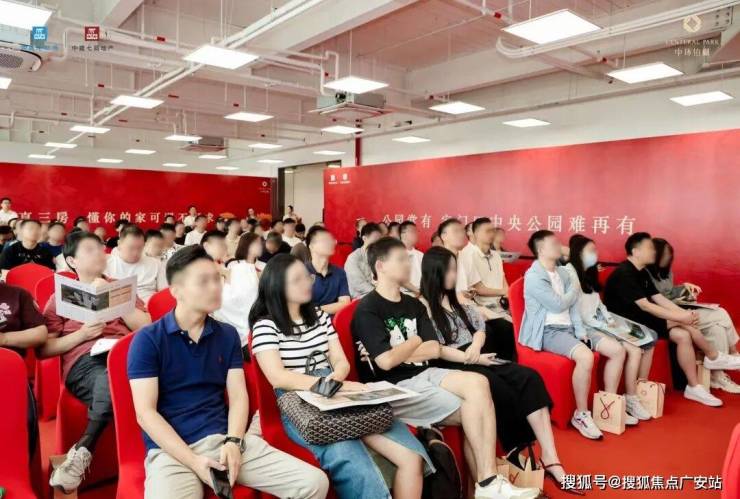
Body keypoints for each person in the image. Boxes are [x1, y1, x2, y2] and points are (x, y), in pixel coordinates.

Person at [127, 246, 328, 499]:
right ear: (176, 291)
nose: (215, 287)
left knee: (314, 483)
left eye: (217, 279)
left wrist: (233, 441)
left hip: (224, 439)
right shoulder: (148, 340)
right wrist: (193, 461)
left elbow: (238, 396)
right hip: (171, 451)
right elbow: (145, 414)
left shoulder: (227, 334)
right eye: (203, 281)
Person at [351, 237, 539, 499]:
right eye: (401, 259)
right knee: (474, 409)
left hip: (424, 373)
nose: (408, 264)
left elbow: (433, 349)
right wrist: (415, 341)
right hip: (393, 387)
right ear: (380, 266)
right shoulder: (368, 309)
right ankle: (486, 485)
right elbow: (386, 362)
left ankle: (487, 484)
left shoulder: (414, 304)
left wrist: (402, 348)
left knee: (478, 383)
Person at [250, 253, 434, 499]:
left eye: (307, 277)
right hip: (300, 404)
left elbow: (340, 361)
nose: (307, 283)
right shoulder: (266, 326)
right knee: (358, 467)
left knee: (411, 456)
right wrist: (328, 386)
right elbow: (278, 377)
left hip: (335, 390)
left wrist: (336, 378)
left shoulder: (319, 316)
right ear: (277, 287)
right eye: (297, 280)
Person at [419, 247, 577, 490]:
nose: (454, 275)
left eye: (454, 269)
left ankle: (550, 456)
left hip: (476, 354)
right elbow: (437, 349)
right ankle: (513, 450)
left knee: (529, 377)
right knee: (498, 386)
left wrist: (477, 344)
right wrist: (472, 358)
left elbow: (479, 326)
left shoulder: (457, 299)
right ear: (434, 272)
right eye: (449, 270)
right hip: (452, 363)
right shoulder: (423, 307)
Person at [42, 231, 151, 492]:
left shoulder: (121, 288)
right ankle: (86, 450)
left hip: (124, 354)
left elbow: (146, 326)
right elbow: (45, 348)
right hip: (85, 360)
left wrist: (114, 298)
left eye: (100, 248)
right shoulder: (60, 296)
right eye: (89, 250)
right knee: (110, 380)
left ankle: (81, 451)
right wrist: (82, 334)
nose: (99, 253)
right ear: (72, 261)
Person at [604, 232, 739, 407]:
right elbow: (646, 306)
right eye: (649, 248)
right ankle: (713, 356)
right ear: (636, 251)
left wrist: (684, 314)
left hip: (643, 318)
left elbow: (660, 299)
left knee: (683, 335)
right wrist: (681, 317)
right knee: (684, 324)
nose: (654, 251)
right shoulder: (625, 273)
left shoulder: (642, 272)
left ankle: (694, 387)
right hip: (626, 323)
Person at [518, 230, 603, 440]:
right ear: (541, 249)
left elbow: (573, 307)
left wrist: (580, 331)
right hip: (547, 331)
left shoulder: (563, 273)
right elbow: (557, 305)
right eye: (554, 243)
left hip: (568, 329)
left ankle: (602, 405)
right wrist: (574, 289)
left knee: (601, 346)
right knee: (586, 356)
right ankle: (581, 415)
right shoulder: (534, 276)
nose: (559, 246)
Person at [565, 235, 654, 423]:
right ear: (578, 253)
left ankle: (629, 399)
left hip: (600, 324)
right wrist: (603, 326)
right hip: (584, 328)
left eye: (595, 250)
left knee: (636, 349)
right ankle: (610, 404)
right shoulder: (569, 273)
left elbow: (599, 304)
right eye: (591, 251)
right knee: (618, 351)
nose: (595, 254)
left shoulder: (589, 274)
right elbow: (578, 313)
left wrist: (609, 321)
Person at [647, 238, 740, 393]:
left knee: (717, 328)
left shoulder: (666, 272)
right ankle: (734, 353)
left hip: (677, 308)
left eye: (670, 254)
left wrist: (684, 288)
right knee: (721, 313)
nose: (667, 258)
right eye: (664, 254)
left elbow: (668, 294)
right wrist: (680, 311)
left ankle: (717, 376)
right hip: (665, 315)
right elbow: (654, 300)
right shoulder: (645, 274)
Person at [0, 280, 48, 457]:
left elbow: (40, 333)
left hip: (9, 373)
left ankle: (18, 466)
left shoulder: (18, 295)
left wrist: (4, 338)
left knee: (24, 420)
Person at [215, 233, 264, 347]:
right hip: (246, 327)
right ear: (248, 245)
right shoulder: (239, 269)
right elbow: (238, 298)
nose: (261, 246)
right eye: (257, 243)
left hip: (256, 322)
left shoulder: (256, 267)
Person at [106, 225, 166, 304]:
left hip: (149, 306)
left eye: (140, 248)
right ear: (119, 244)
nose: (136, 253)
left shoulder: (156, 264)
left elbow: (165, 293)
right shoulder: (106, 264)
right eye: (131, 248)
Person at [305, 226, 350, 316]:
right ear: (311, 246)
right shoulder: (301, 272)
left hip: (333, 322)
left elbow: (345, 303)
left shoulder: (340, 272)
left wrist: (317, 310)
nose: (333, 243)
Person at [344, 222, 383, 299]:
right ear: (364, 238)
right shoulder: (353, 258)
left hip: (377, 293)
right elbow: (359, 284)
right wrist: (379, 294)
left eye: (379, 239)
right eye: (375, 238)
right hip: (360, 296)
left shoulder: (380, 256)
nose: (378, 242)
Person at [399, 221, 423, 296]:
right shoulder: (396, 253)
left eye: (416, 231)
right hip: (403, 294)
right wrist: (417, 291)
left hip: (422, 293)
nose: (416, 234)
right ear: (403, 234)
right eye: (413, 231)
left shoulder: (421, 255)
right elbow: (399, 278)